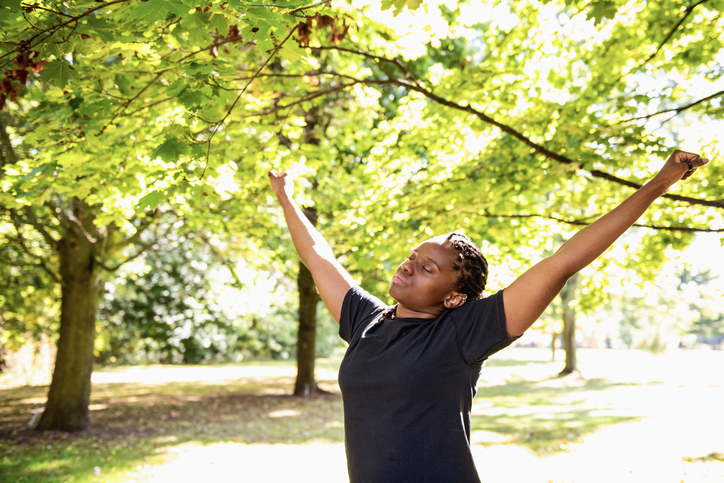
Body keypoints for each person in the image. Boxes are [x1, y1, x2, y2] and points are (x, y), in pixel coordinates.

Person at [268, 149, 709, 483]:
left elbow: (562, 262)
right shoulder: (367, 321)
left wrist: (657, 184)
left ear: (456, 297)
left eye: (428, 267)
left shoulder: (464, 332)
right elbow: (316, 256)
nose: (408, 266)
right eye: (412, 256)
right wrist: (285, 197)